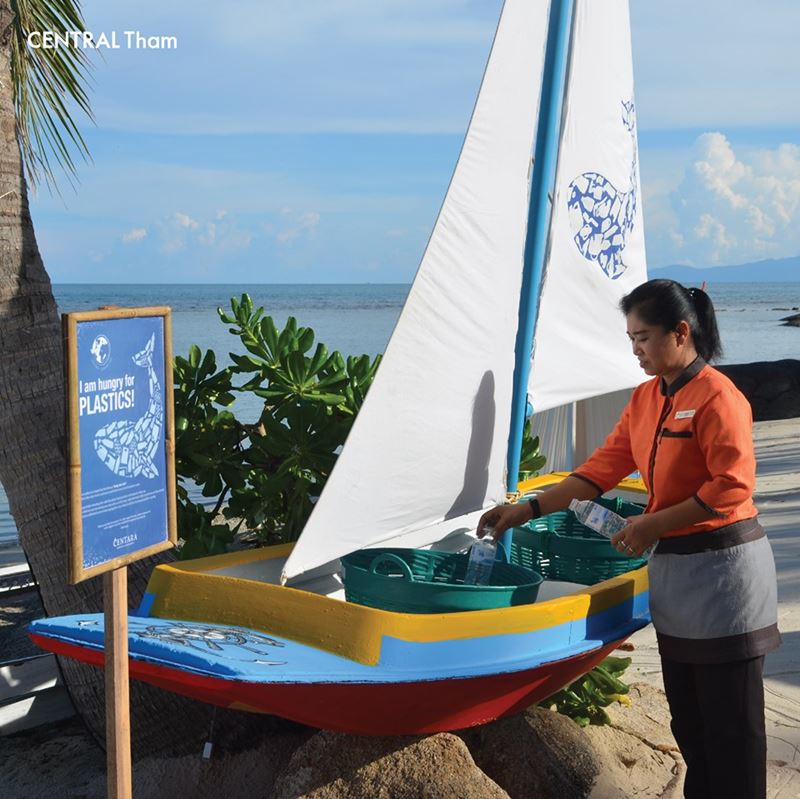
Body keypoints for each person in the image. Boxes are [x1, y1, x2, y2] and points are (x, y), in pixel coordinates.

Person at [478, 279, 780, 799]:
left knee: (733, 732)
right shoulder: (645, 399)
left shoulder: (719, 397)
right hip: (678, 578)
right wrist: (523, 510)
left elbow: (732, 485)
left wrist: (650, 525)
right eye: (630, 339)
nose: (635, 349)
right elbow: (595, 474)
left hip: (727, 575)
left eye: (643, 337)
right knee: (690, 726)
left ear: (681, 333)